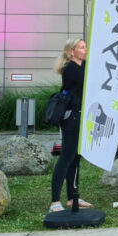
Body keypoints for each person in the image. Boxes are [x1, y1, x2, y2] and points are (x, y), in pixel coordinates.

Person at [50, 37, 91, 212]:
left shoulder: (82, 68)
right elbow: (90, 82)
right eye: (81, 47)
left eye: (85, 46)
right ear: (71, 52)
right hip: (71, 117)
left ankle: (72, 196)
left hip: (80, 116)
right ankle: (54, 201)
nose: (85, 49)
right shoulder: (71, 69)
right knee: (66, 156)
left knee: (76, 157)